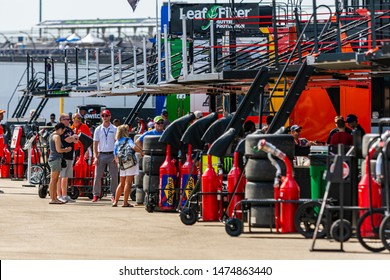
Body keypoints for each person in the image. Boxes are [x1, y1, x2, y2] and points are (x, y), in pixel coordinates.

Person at [112, 125, 143, 207]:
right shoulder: (128, 140)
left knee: (121, 183)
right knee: (128, 183)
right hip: (130, 162)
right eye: (127, 131)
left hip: (121, 163)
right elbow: (133, 147)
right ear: (125, 132)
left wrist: (118, 163)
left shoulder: (117, 142)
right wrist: (141, 152)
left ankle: (115, 202)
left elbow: (115, 154)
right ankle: (125, 202)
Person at [92, 109, 118, 202]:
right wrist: (95, 157)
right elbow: (95, 143)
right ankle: (96, 194)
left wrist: (116, 156)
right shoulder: (98, 129)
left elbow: (116, 143)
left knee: (114, 175)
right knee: (97, 175)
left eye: (106, 116)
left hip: (111, 154)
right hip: (101, 154)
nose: (105, 117)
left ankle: (114, 194)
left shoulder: (114, 129)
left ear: (110, 116)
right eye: (103, 116)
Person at [47, 123, 72, 204]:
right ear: (60, 129)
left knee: (54, 179)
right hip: (56, 159)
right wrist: (66, 150)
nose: (63, 132)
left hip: (53, 159)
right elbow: (58, 150)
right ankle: (53, 199)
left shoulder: (52, 135)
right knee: (54, 180)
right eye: (63, 130)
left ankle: (54, 198)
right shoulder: (57, 136)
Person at [57, 113, 78, 203]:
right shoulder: (61, 130)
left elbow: (76, 140)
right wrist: (73, 138)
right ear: (61, 120)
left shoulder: (69, 129)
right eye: (66, 119)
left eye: (69, 119)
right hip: (63, 156)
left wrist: (73, 138)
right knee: (61, 176)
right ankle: (59, 195)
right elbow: (67, 139)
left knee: (66, 177)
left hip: (70, 155)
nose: (68, 121)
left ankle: (65, 195)